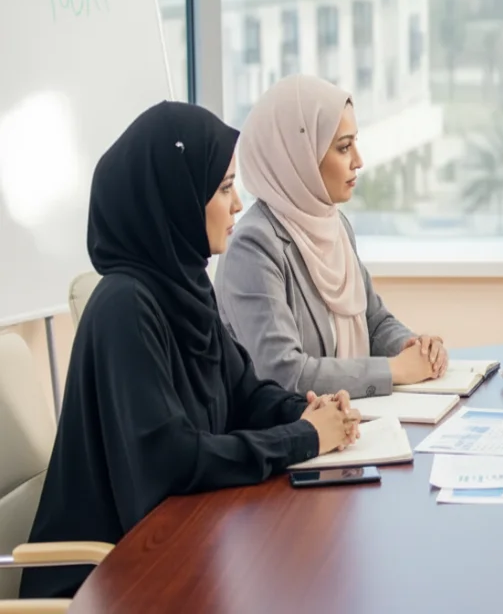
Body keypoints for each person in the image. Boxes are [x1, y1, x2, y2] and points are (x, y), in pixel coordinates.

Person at [21, 102, 358, 600]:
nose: (237, 204)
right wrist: (302, 438)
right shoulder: (125, 308)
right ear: (175, 199)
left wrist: (309, 410)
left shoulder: (185, 287)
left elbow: (245, 395)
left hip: (171, 553)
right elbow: (171, 461)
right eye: (223, 188)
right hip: (101, 581)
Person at [215, 76, 446, 399]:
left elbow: (374, 320)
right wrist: (395, 370)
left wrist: (415, 348)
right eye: (344, 147)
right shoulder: (253, 247)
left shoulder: (335, 226)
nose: (358, 161)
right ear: (300, 155)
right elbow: (283, 373)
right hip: (295, 426)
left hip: (352, 418)